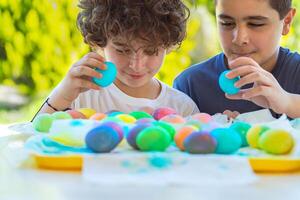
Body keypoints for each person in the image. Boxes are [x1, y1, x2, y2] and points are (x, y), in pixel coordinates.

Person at [35, 0, 199, 119]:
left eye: (150, 51)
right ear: (99, 43)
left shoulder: (182, 108)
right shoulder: (81, 95)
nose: (136, 65)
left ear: (167, 45)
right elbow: (30, 140)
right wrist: (62, 96)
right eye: (122, 50)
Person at [174, 0, 300, 119]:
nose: (239, 39)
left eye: (256, 24)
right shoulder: (189, 85)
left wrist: (289, 103)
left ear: (287, 21)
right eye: (226, 23)